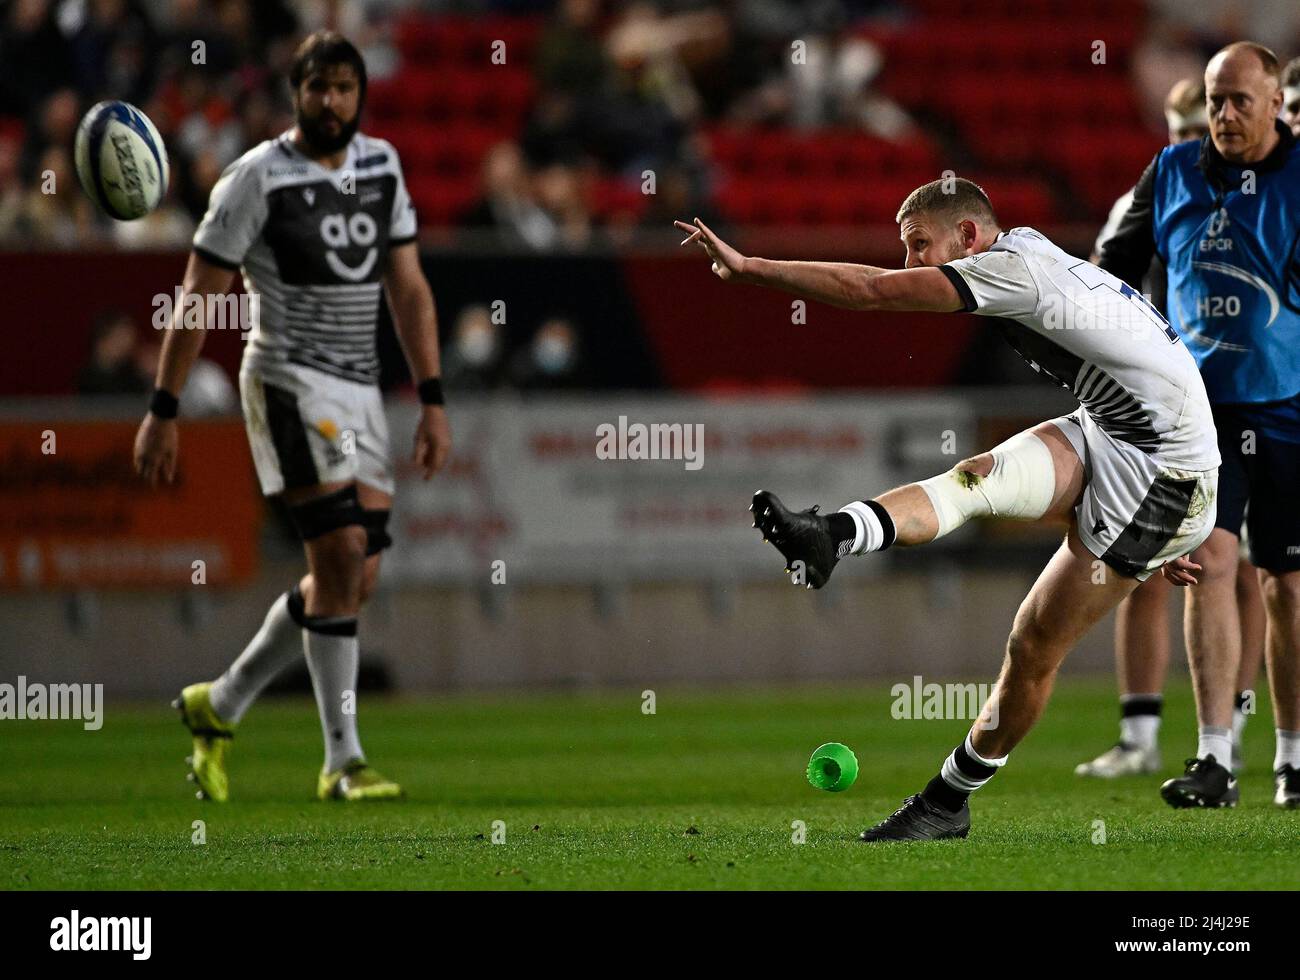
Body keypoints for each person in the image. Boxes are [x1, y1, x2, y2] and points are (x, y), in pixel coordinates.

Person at [674, 174, 1219, 841]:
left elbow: (871, 291)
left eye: (917, 245)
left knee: (1034, 644)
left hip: (1163, 476)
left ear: (968, 236)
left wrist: (752, 267)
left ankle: (948, 799)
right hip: (1116, 430)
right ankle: (830, 533)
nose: (909, 264)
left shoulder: (1010, 269)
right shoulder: (1027, 252)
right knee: (973, 480)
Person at [133, 31, 452, 803]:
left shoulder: (381, 166)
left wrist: (433, 396)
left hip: (361, 391)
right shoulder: (256, 178)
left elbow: (407, 288)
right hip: (285, 381)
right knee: (341, 551)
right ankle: (342, 760)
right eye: (318, 87)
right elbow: (199, 293)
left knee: (354, 575)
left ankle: (223, 701)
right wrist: (163, 409)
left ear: (361, 94)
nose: (332, 102)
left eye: (345, 87)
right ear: (295, 92)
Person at [1099, 42, 1300, 809]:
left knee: (1288, 583)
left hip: (1291, 407)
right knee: (1210, 564)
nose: (1223, 114)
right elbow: (1109, 272)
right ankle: (1213, 758)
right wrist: (1137, 351)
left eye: (1239, 100)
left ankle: (1294, 759)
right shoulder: (1172, 170)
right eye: (1215, 99)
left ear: (1276, 101)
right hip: (1202, 414)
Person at [1076, 77, 1264, 779]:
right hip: (1168, 401)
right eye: (1183, 127)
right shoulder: (1157, 189)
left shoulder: (1263, 192)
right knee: (1144, 564)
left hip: (1246, 398)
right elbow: (1099, 281)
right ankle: (1141, 734)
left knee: (1246, 567)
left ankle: (1233, 724)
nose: (1195, 139)